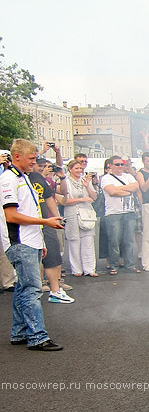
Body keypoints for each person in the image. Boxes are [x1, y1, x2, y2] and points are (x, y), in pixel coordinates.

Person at [1, 139, 65, 351]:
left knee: (23, 288)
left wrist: (40, 238)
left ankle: (19, 333)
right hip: (20, 242)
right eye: (31, 159)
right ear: (16, 156)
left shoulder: (25, 177)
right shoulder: (8, 179)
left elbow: (31, 210)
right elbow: (11, 215)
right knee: (32, 289)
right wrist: (45, 223)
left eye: (35, 158)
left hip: (30, 241)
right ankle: (37, 336)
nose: (34, 162)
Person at [28, 154, 73, 302]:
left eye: (41, 165)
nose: (40, 167)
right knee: (31, 258)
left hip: (45, 221)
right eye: (37, 164)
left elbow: (49, 198)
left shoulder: (39, 178)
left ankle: (55, 291)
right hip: (27, 224)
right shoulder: (17, 178)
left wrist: (58, 217)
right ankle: (34, 289)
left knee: (53, 253)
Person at [101, 156, 140, 274]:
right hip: (113, 213)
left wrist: (119, 189)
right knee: (114, 241)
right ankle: (114, 265)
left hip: (129, 212)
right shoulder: (106, 178)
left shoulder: (128, 176)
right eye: (117, 164)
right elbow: (112, 192)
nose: (120, 167)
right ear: (111, 166)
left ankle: (130, 265)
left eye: (122, 164)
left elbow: (136, 187)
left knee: (129, 241)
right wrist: (127, 190)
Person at [61, 158, 99, 277]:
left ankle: (90, 268)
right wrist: (81, 199)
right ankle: (76, 269)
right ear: (70, 169)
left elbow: (94, 197)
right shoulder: (66, 181)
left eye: (81, 168)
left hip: (86, 213)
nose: (79, 170)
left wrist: (88, 186)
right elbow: (64, 201)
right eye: (76, 168)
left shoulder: (85, 180)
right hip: (72, 212)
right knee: (74, 240)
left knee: (88, 240)